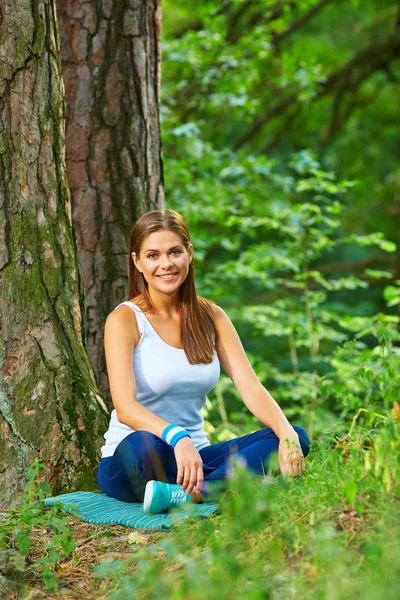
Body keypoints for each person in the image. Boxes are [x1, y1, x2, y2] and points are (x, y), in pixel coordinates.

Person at [97, 209, 310, 513]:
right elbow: (125, 406)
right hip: (136, 459)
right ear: (137, 262)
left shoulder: (212, 316)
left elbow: (250, 387)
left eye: (174, 252)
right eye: (153, 255)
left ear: (189, 254)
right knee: (143, 445)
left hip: (197, 457)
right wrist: (177, 436)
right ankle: (229, 485)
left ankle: (192, 493)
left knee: (294, 436)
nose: (166, 264)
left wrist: (286, 433)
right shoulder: (125, 319)